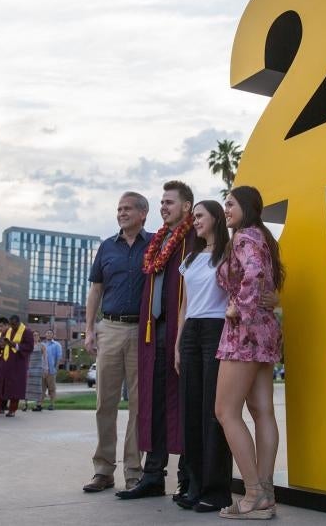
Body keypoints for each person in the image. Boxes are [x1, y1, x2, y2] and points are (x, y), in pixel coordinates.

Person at [118, 181, 196, 501]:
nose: (164, 207)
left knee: (186, 402)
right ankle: (152, 476)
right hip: (155, 331)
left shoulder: (195, 237)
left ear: (187, 207)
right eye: (162, 202)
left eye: (170, 202)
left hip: (184, 331)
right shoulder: (159, 239)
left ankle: (188, 478)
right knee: (155, 402)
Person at [214, 186, 284, 519]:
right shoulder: (263, 237)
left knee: (225, 411)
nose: (226, 208)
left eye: (230, 203)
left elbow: (254, 275)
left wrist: (237, 308)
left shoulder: (243, 238)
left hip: (244, 333)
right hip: (265, 331)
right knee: (261, 411)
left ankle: (254, 494)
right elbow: (266, 280)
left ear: (246, 206)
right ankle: (265, 493)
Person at [83, 191, 152, 493]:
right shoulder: (106, 248)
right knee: (104, 403)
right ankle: (103, 470)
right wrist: (88, 329)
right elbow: (95, 290)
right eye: (119, 209)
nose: (121, 213)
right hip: (109, 327)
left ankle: (134, 472)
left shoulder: (154, 246)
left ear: (142, 214)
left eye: (127, 209)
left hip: (142, 331)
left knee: (138, 405)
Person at [174, 200, 233, 512]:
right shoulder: (191, 257)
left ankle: (217, 491)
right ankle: (195, 486)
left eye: (199, 216)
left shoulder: (229, 253)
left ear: (216, 218)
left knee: (213, 411)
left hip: (217, 330)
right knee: (191, 411)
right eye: (193, 216)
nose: (194, 221)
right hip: (192, 333)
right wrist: (177, 344)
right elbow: (185, 305)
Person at [0, 314, 34, 416]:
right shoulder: (8, 331)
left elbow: (29, 347)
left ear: (18, 322)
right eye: (11, 324)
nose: (12, 326)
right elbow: (2, 344)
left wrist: (13, 344)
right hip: (5, 362)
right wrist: (3, 345)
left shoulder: (27, 332)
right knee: (2, 386)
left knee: (15, 388)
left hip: (18, 364)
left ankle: (12, 410)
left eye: (14, 324)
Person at [24, 331, 46, 411]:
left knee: (38, 387)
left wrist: (45, 368)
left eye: (37, 335)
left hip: (38, 368)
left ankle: (38, 405)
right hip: (29, 368)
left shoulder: (42, 346)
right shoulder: (29, 346)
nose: (35, 336)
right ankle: (25, 404)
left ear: (39, 337)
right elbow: (25, 357)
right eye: (33, 335)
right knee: (28, 387)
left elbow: (45, 358)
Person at [43, 329, 63, 411]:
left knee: (52, 388)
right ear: (45, 334)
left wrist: (55, 368)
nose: (49, 334)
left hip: (51, 370)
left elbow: (58, 358)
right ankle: (40, 404)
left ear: (53, 335)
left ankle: (52, 404)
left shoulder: (57, 345)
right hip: (43, 371)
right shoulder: (42, 344)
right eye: (47, 333)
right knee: (42, 389)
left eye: (50, 333)